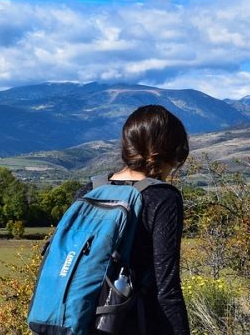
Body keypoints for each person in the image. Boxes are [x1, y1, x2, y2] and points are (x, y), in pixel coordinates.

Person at [75, 104, 190, 335]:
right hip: (133, 323)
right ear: (171, 152)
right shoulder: (162, 198)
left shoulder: (90, 189)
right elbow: (166, 289)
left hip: (78, 321)